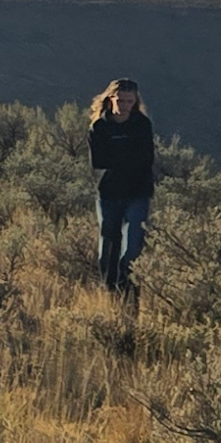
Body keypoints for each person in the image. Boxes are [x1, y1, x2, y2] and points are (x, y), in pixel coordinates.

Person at [86, 79, 156, 295]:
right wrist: (128, 157)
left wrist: (120, 156)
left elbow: (146, 158)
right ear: (111, 99)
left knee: (133, 244)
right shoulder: (100, 126)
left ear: (135, 102)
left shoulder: (142, 124)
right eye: (121, 100)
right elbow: (99, 160)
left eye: (129, 101)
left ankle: (129, 288)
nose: (125, 105)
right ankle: (110, 289)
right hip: (109, 193)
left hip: (138, 192)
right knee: (109, 242)